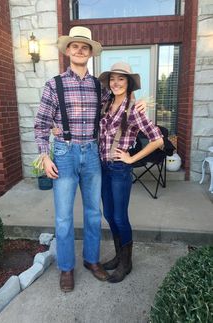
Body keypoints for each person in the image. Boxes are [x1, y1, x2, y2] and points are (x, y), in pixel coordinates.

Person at [34, 26, 146, 292]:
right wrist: (44, 155)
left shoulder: (101, 87)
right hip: (64, 153)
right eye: (75, 46)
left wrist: (137, 101)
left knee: (94, 213)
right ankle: (66, 268)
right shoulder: (54, 84)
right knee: (63, 217)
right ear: (68, 51)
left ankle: (91, 260)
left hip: (94, 153)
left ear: (90, 52)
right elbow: (41, 124)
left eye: (85, 47)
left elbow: (121, 100)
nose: (80, 50)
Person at [98, 62, 164, 283]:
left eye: (121, 79)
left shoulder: (135, 109)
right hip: (102, 167)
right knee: (108, 214)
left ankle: (127, 263)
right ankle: (119, 256)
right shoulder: (106, 103)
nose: (115, 83)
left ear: (128, 83)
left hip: (119, 169)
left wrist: (131, 158)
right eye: (112, 79)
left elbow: (158, 140)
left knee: (119, 216)